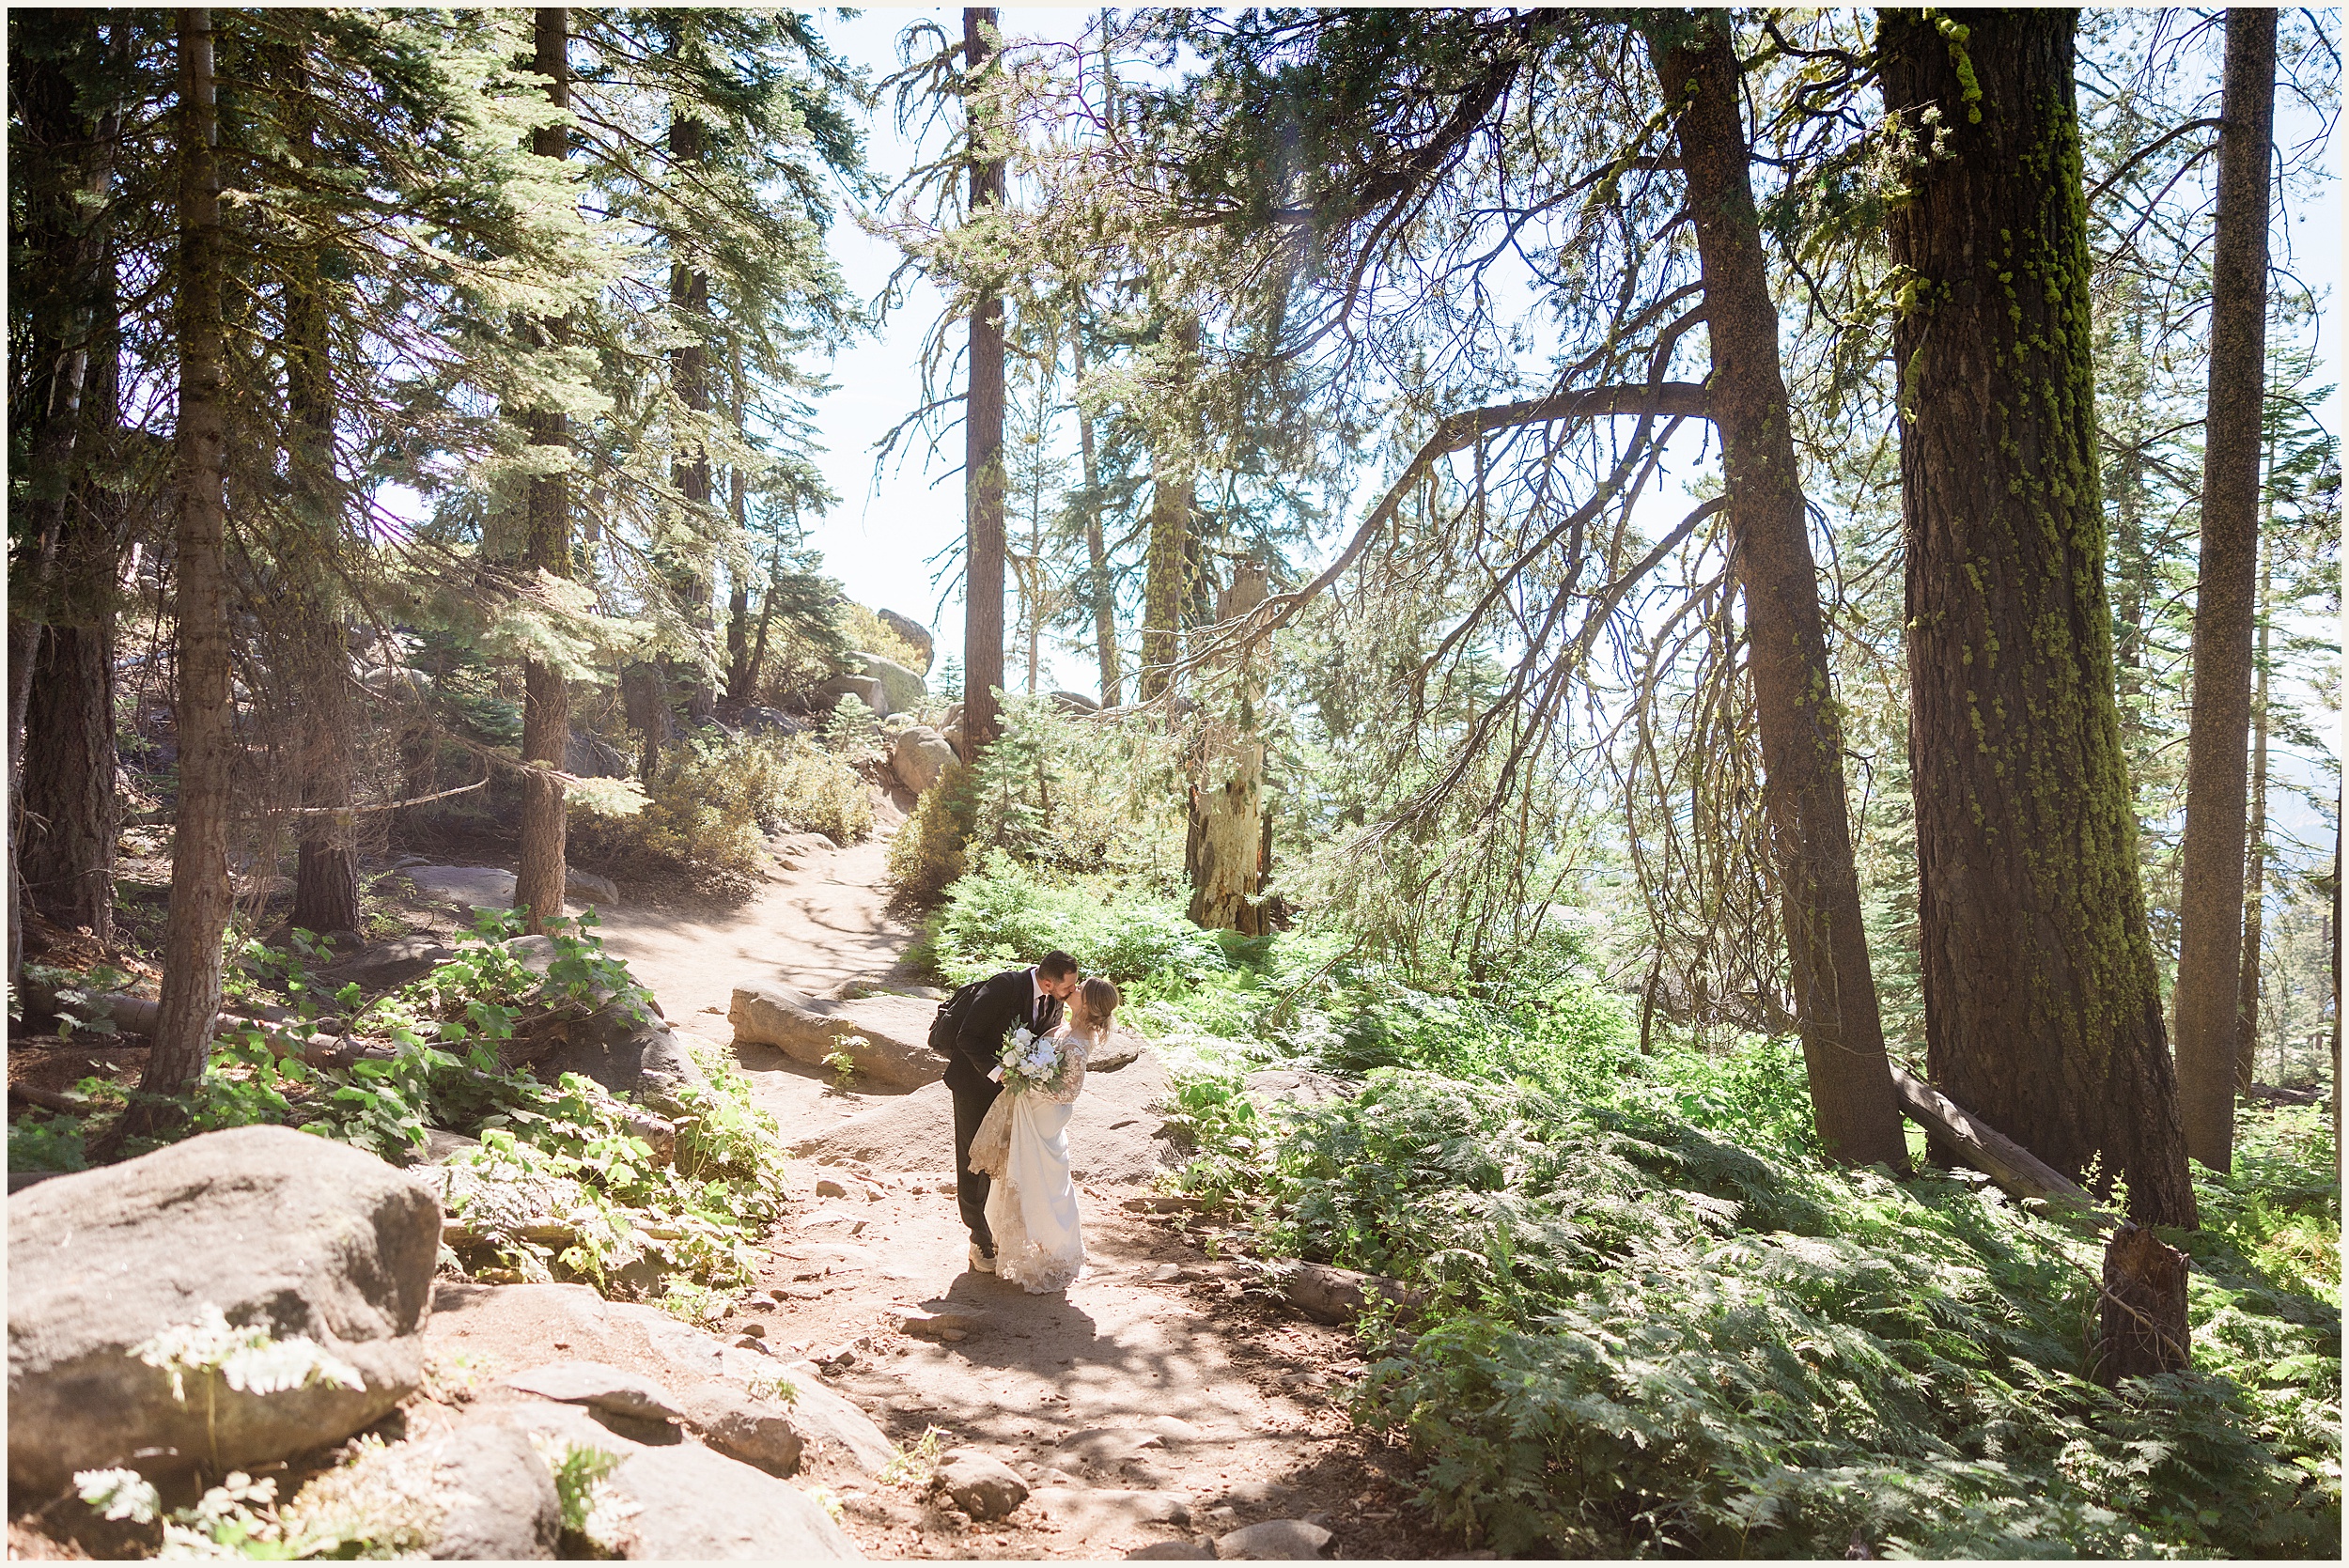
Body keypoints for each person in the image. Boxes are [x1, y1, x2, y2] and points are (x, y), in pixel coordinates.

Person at [971, 976, 1120, 1294]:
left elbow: (1069, 1091)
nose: (1074, 989)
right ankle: (1011, 1242)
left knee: (1039, 1178)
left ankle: (1049, 1247)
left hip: (1044, 1117)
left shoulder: (1078, 1042)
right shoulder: (1064, 1026)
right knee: (1018, 1173)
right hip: (1031, 1110)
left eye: (1081, 989)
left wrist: (1029, 1081)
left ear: (1090, 1004)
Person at [941, 950, 1080, 1273]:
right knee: (975, 1158)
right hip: (974, 1085)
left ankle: (998, 1229)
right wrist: (999, 1073)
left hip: (1014, 1095)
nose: (1072, 992)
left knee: (1004, 1158)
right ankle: (978, 1237)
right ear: (1047, 982)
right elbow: (967, 1037)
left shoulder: (1054, 998)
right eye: (1067, 988)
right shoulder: (1003, 987)